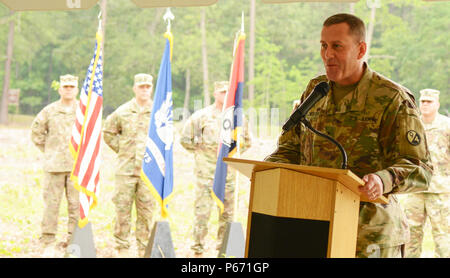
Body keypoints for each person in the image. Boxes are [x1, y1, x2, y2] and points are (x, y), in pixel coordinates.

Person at [264, 13, 433, 258]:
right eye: (323, 46)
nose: (327, 54)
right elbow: (291, 150)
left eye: (337, 46)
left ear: (360, 49)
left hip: (369, 239)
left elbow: (421, 169)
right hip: (313, 227)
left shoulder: (391, 98)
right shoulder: (315, 90)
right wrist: (269, 172)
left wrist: (382, 180)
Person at [180, 81, 252, 256]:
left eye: (228, 92)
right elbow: (185, 140)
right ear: (214, 94)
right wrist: (201, 154)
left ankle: (223, 250)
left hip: (228, 174)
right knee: (202, 213)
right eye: (222, 92)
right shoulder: (201, 116)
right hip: (206, 174)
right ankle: (197, 249)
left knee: (227, 214)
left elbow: (247, 142)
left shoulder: (238, 118)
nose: (225, 95)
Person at [103, 73, 157, 258]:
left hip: (148, 173)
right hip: (125, 171)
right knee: (122, 211)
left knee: (146, 213)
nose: (144, 90)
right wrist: (124, 150)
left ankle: (144, 251)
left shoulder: (158, 112)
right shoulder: (122, 111)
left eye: (147, 87)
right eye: (141, 86)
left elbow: (164, 140)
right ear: (134, 88)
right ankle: (122, 249)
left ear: (151, 89)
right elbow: (108, 133)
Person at [31, 74, 80, 256]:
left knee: (75, 205)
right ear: (60, 89)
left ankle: (73, 240)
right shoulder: (49, 111)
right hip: (54, 166)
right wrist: (50, 150)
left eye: (71, 87)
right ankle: (48, 240)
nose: (68, 89)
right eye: (65, 86)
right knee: (52, 204)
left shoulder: (83, 113)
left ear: (76, 90)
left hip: (76, 167)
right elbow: (36, 133)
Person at [403, 89, 449, 258]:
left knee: (443, 236)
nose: (425, 104)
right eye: (423, 101)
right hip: (415, 188)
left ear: (437, 104)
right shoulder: (412, 124)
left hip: (440, 191)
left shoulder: (446, 126)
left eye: (429, 101)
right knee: (410, 236)